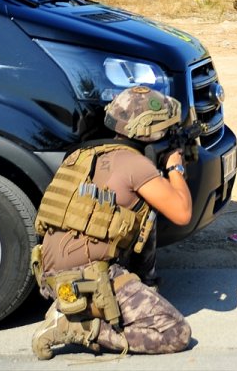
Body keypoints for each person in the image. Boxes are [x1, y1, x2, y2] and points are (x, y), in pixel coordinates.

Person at [30, 86, 193, 360]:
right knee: (175, 332)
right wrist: (175, 165)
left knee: (140, 215)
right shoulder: (135, 165)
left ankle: (74, 308)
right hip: (89, 278)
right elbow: (182, 212)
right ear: (150, 133)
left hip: (48, 276)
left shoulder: (81, 156)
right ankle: (80, 327)